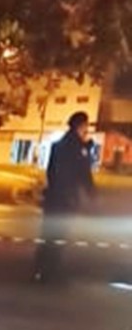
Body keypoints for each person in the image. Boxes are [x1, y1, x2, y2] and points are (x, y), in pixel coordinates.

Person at [34, 111, 96, 283]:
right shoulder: (77, 147)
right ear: (80, 126)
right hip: (65, 198)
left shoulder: (58, 145)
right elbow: (83, 173)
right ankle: (51, 273)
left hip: (53, 197)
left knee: (48, 235)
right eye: (86, 126)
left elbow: (51, 171)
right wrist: (92, 194)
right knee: (59, 236)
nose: (87, 130)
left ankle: (40, 270)